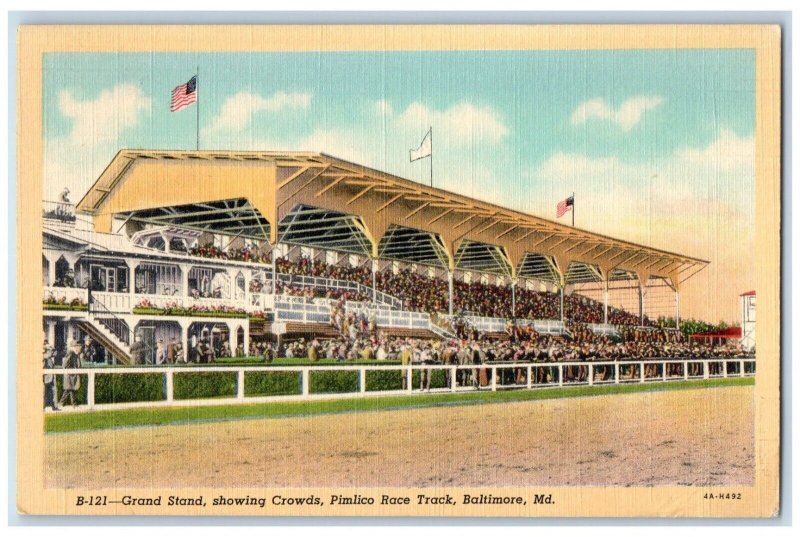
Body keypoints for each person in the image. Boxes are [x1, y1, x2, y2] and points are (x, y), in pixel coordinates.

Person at [58, 340, 81, 407]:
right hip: (69, 375)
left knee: (71, 389)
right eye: (75, 346)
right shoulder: (70, 353)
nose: (77, 347)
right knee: (69, 389)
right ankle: (62, 403)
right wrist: (71, 371)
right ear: (72, 347)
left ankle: (73, 404)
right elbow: (64, 365)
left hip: (72, 375)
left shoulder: (75, 354)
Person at [43, 340, 59, 411]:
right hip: (45, 376)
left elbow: (55, 353)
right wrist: (47, 348)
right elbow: (47, 355)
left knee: (54, 391)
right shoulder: (43, 354)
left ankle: (54, 406)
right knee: (44, 392)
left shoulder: (49, 352)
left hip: (51, 376)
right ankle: (42, 407)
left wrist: (51, 348)